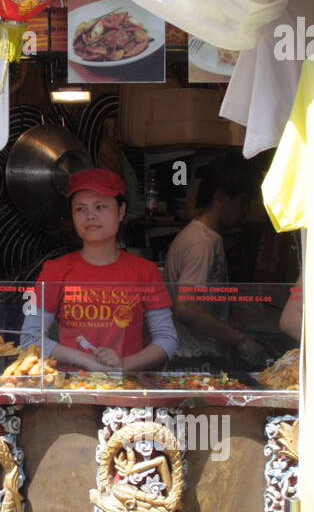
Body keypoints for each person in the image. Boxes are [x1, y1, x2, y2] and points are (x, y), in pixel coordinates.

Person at [21, 169, 177, 372]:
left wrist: (123, 365)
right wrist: (85, 361)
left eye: (100, 206)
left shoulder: (145, 271)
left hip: (127, 386)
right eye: (80, 209)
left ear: (121, 211)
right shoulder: (54, 270)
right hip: (71, 389)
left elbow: (167, 339)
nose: (90, 216)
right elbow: (29, 338)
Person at [164, 159, 266, 366]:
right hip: (193, 359)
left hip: (197, 356)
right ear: (220, 196)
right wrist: (241, 339)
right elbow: (186, 308)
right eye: (243, 202)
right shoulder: (202, 242)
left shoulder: (202, 237)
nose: (246, 211)